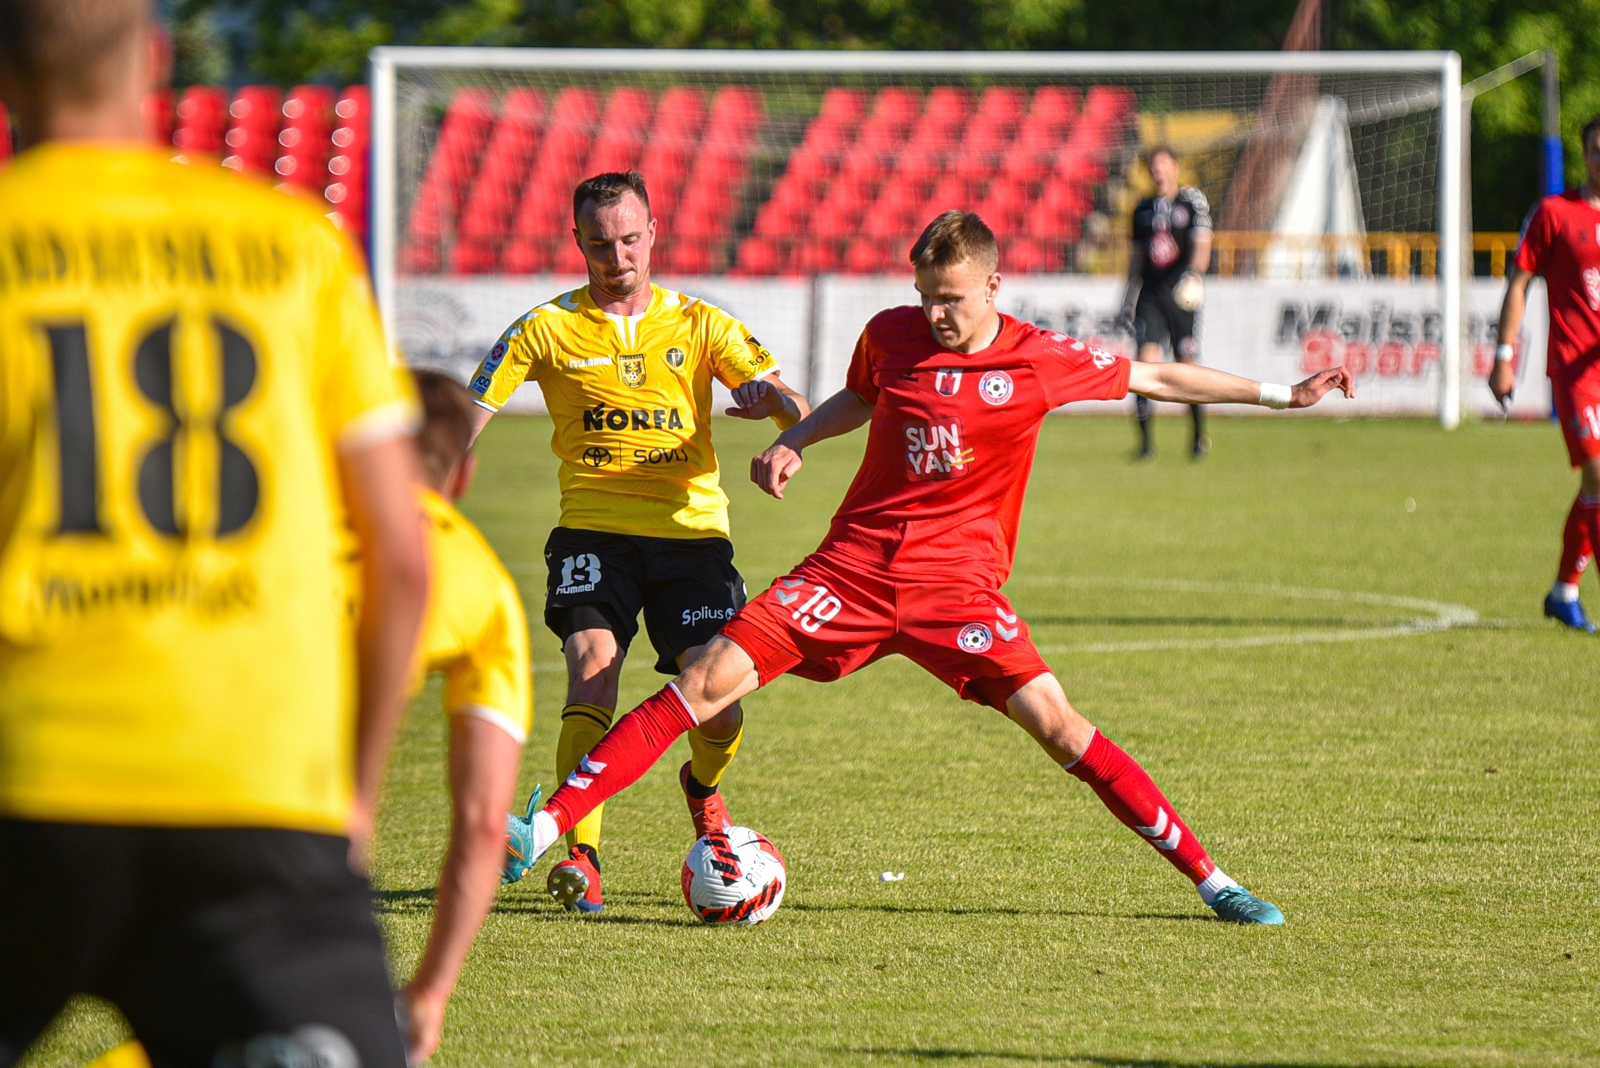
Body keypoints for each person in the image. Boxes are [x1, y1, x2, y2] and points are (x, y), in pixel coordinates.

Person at [506, 211, 1354, 925]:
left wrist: (1283, 395)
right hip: (849, 572)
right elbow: (861, 395)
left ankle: (1214, 882)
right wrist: (797, 439)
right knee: (704, 681)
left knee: (1060, 726)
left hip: (958, 593)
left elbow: (1159, 374)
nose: (935, 315)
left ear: (992, 287)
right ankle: (543, 832)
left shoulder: (1038, 360)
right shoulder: (890, 335)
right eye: (924, 297)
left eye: (950, 299)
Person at [0, 2, 429, 1066]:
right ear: (154, 61)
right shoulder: (292, 242)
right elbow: (402, 556)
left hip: (28, 771)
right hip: (254, 783)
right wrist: (354, 798)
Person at [467, 170, 810, 913]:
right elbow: (468, 416)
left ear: (653, 233)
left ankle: (704, 790)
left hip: (692, 536)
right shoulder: (543, 328)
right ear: (577, 241)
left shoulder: (701, 323)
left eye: (629, 239)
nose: (617, 257)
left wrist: (775, 407)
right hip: (593, 531)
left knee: (718, 701)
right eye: (600, 244)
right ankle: (580, 855)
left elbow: (796, 405)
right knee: (593, 666)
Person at [396, 372, 532, 1063]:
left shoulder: (257, 526)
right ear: (464, 473)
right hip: (284, 850)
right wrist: (431, 990)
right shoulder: (480, 582)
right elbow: (484, 824)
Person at [1491, 115, 1600, 633]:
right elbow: (1519, 284)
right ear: (1584, 154)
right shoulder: (1554, 213)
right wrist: (1503, 357)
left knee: (1594, 486)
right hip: (1575, 373)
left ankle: (1563, 592)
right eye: (1597, 149)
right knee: (1599, 477)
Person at [1120, 146, 1214, 461]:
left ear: (1175, 167)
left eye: (1162, 164)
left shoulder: (1192, 200)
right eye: (1153, 165)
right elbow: (1137, 256)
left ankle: (1198, 437)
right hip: (1150, 296)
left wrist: (1194, 275)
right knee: (1144, 365)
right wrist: (1128, 295)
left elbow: (1202, 243)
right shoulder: (1142, 208)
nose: (1157, 170)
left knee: (1186, 365)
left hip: (1180, 295)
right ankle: (1146, 445)